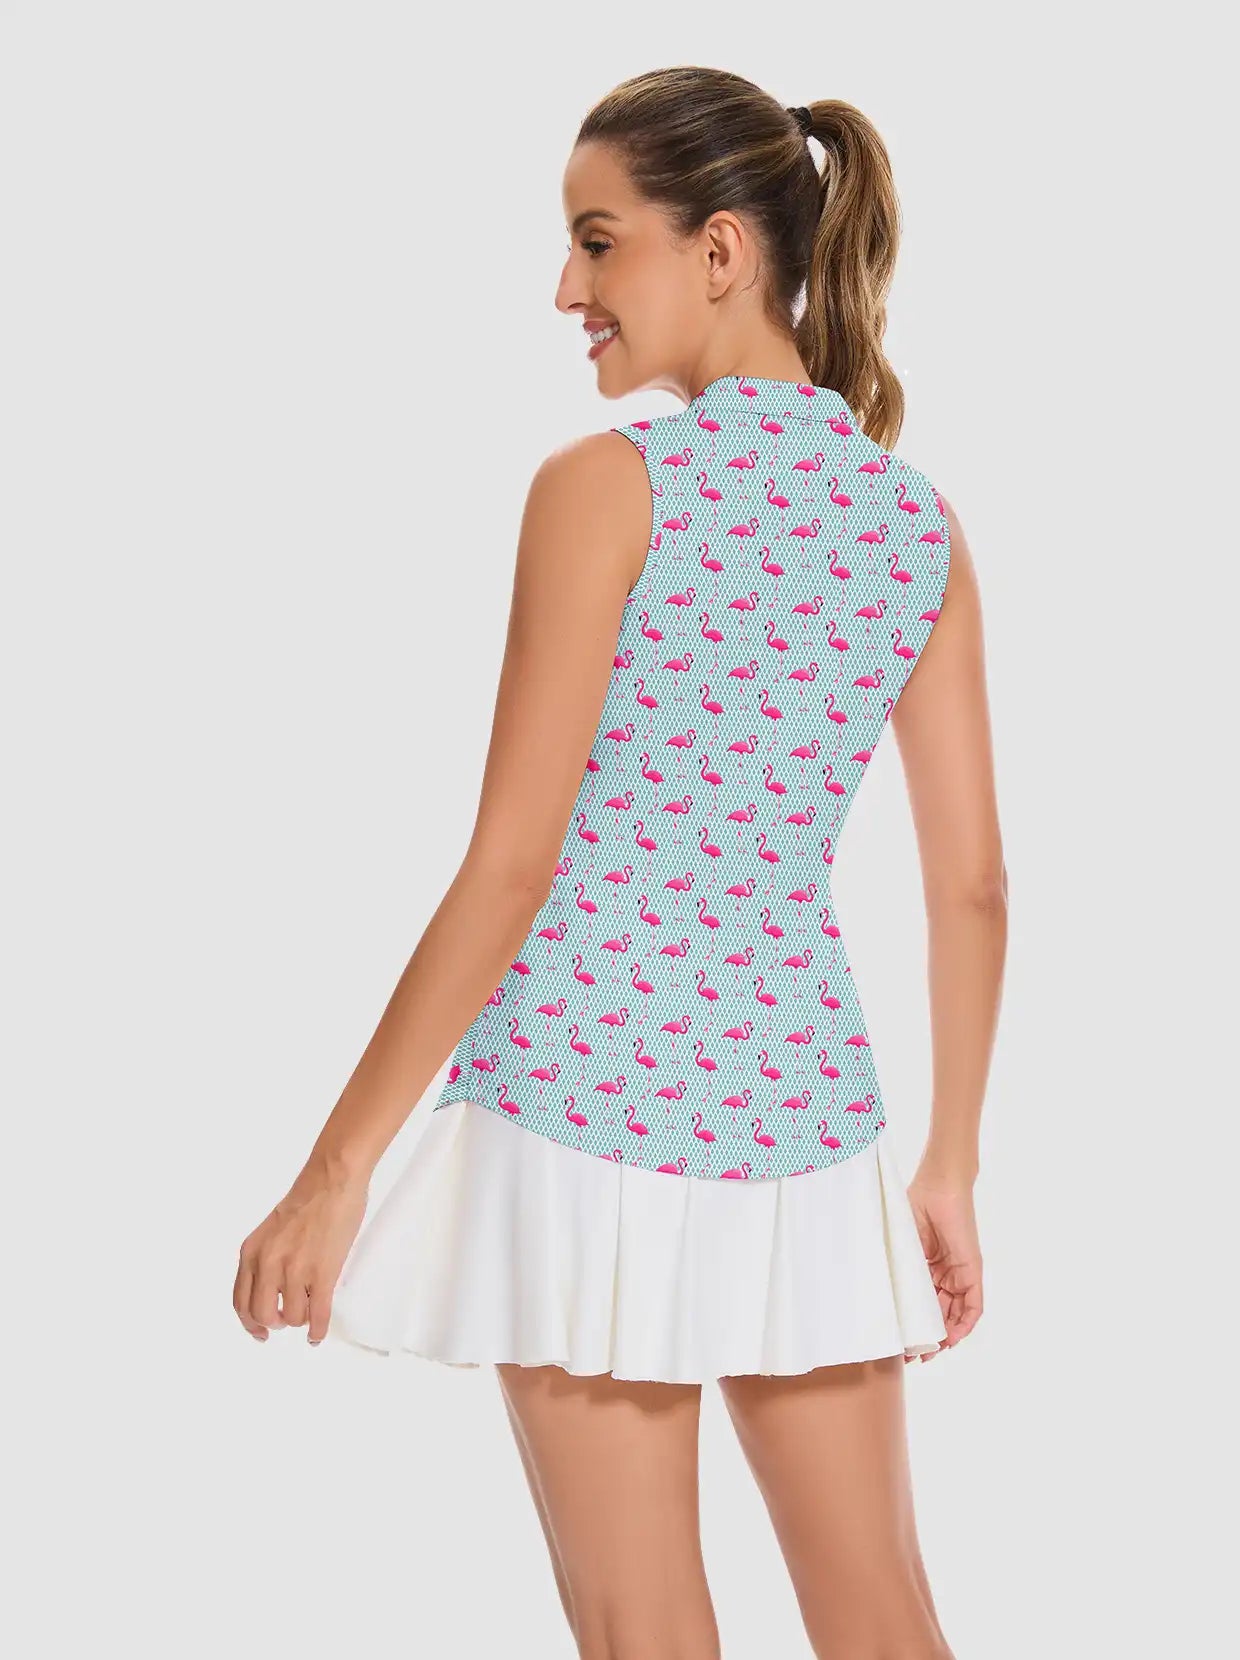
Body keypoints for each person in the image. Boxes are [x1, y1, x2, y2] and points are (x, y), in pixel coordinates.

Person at [233, 66, 1005, 1660]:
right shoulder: (912, 527)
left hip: (581, 1110)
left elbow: (513, 865)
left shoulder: (608, 488)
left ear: (720, 251)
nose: (566, 289)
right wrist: (949, 1165)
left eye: (598, 242)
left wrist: (336, 1169)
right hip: (803, 1121)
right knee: (884, 1616)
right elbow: (974, 888)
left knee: (641, 1628)